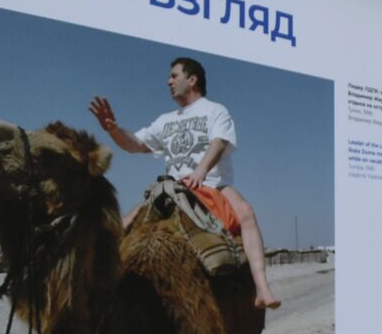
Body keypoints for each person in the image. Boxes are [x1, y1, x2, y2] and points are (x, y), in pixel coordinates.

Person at [89, 57, 281, 309]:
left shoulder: (215, 110)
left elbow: (219, 142)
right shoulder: (165, 120)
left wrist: (200, 172)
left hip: (213, 185)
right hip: (173, 188)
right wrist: (112, 129)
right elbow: (135, 144)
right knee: (125, 223)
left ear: (192, 80)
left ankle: (261, 288)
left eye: (174, 76)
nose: (168, 81)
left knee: (246, 212)